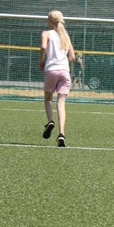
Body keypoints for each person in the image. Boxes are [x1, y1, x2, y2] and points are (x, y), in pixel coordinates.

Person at [40, 10, 76, 147]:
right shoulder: (65, 36)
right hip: (65, 71)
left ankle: (50, 121)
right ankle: (61, 133)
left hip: (51, 70)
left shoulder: (46, 33)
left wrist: (42, 60)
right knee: (61, 104)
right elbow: (72, 57)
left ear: (49, 21)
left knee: (48, 99)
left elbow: (43, 46)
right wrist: (63, 61)